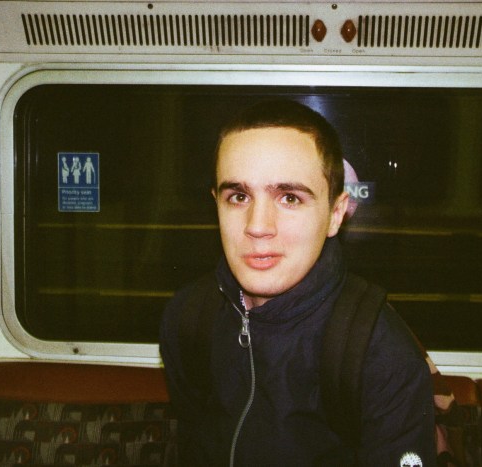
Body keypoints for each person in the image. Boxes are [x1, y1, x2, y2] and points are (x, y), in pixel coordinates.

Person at [159, 99, 436, 466]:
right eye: (238, 197)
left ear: (335, 214)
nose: (258, 226)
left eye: (289, 198)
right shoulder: (188, 318)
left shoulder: (379, 354)